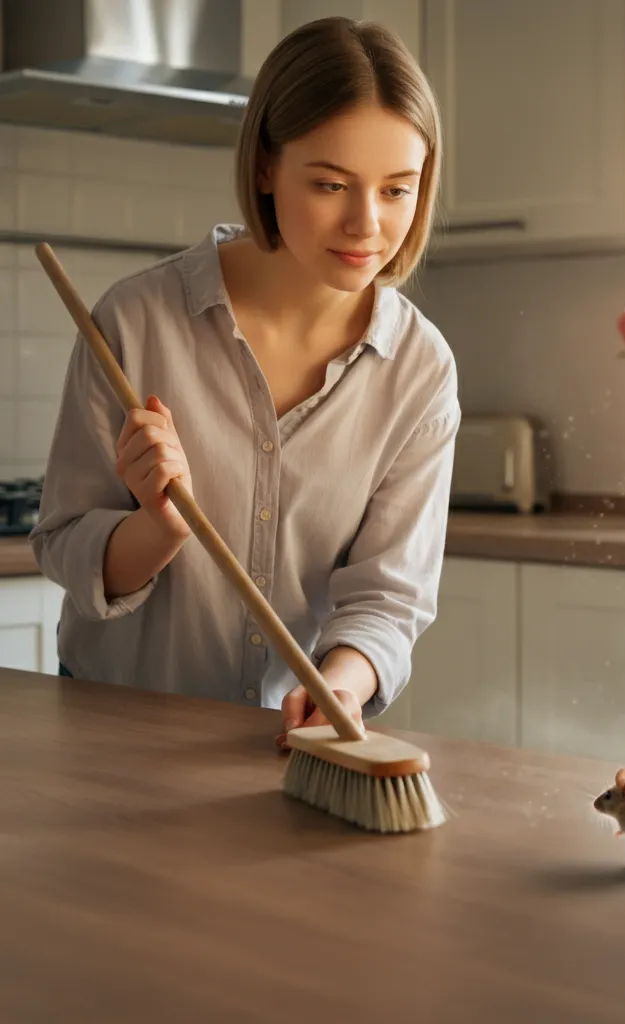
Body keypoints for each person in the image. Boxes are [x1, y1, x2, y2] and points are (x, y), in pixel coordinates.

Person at [29, 16, 459, 749]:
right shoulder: (137, 321)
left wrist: (342, 686)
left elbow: (389, 597)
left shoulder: (419, 369)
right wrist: (156, 527)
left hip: (277, 750)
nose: (367, 224)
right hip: (108, 740)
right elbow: (63, 544)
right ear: (264, 166)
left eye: (397, 190)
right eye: (330, 184)